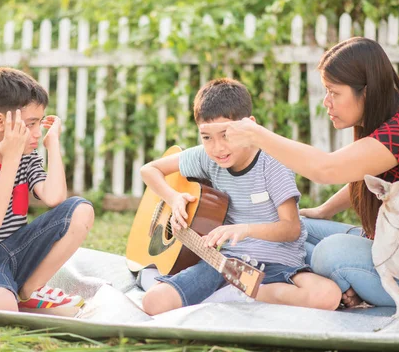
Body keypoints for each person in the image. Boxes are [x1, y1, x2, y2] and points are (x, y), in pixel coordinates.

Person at [199, 37, 399, 309]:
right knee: (299, 227)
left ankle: (300, 285)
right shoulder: (385, 123)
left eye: (333, 92)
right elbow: (370, 182)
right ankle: (338, 286)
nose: (326, 102)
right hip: (390, 243)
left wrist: (258, 136)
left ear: (367, 92)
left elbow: (327, 169)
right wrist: (323, 210)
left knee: (329, 252)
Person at [138, 78, 342, 315]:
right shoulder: (208, 158)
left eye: (226, 135)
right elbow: (149, 169)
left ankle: (246, 292)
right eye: (207, 137)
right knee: (153, 302)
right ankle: (235, 290)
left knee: (328, 296)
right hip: (225, 265)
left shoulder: (273, 162)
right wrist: (174, 199)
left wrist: (245, 229)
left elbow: (291, 228)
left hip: (278, 266)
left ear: (250, 127)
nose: (217, 148)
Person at [0, 67, 94, 316]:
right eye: (31, 124)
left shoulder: (27, 156)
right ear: (0, 122)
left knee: (81, 210)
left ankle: (27, 292)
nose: (37, 133)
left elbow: (55, 197)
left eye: (40, 124)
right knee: (2, 309)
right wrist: (11, 156)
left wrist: (52, 144)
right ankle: (6, 298)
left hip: (17, 254)